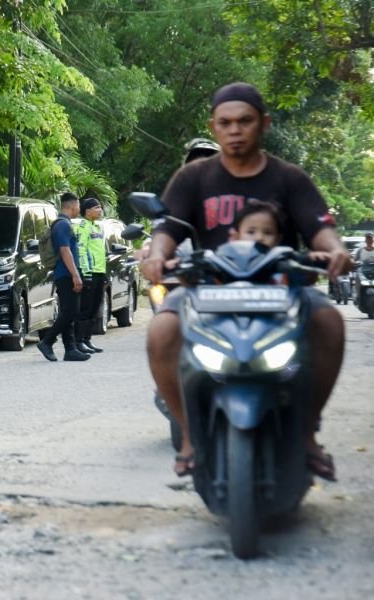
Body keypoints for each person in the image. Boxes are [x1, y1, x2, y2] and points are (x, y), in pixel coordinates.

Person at [141, 82, 350, 481]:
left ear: (264, 124)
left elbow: (320, 229)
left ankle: (306, 432)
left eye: (245, 121)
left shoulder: (290, 178)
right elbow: (168, 228)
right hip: (209, 288)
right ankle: (188, 435)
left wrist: (335, 250)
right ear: (214, 127)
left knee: (330, 322)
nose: (235, 130)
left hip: (282, 288)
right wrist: (156, 255)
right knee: (162, 329)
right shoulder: (193, 177)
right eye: (226, 123)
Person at [36, 193, 90, 362]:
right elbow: (65, 251)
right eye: (79, 206)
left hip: (65, 273)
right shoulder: (63, 225)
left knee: (69, 311)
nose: (79, 209)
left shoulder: (62, 224)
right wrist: (75, 275)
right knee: (70, 311)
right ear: (73, 206)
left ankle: (70, 349)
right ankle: (47, 341)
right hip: (65, 274)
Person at [72, 197, 106, 354]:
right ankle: (78, 341)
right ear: (88, 211)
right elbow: (81, 250)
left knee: (95, 308)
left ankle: (87, 340)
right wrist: (85, 273)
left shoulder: (97, 227)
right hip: (90, 273)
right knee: (85, 308)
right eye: (97, 207)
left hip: (100, 272)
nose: (100, 210)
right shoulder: (83, 226)